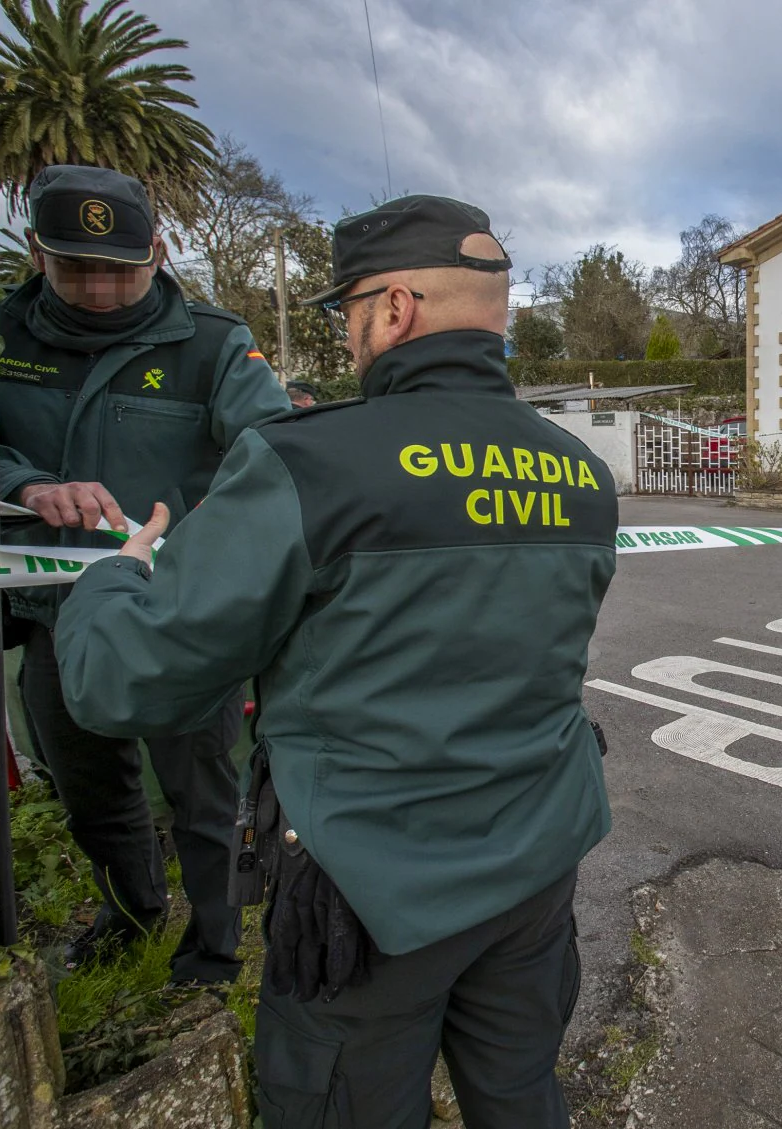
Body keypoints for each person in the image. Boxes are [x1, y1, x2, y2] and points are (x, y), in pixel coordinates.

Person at [51, 194, 619, 1128]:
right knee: (521, 1096)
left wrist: (115, 583)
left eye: (348, 313)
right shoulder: (579, 470)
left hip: (369, 890)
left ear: (394, 309)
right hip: (537, 862)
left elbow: (129, 679)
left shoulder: (306, 464)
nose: (350, 338)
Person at [0, 165, 291, 984]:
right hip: (53, 610)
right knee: (91, 787)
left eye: (121, 269)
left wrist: (213, 535)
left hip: (177, 615)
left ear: (159, 253)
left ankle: (213, 946)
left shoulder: (211, 342)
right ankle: (128, 909)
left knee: (204, 791)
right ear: (36, 255)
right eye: (77, 268)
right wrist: (26, 484)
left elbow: (276, 448)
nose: (100, 289)